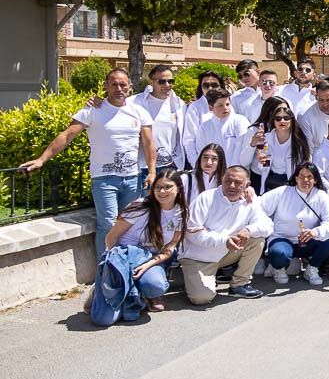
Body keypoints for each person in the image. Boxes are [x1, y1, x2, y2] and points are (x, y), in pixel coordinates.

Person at [20, 68, 155, 261]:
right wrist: (42, 159)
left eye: (123, 84)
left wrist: (151, 172)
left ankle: (125, 265)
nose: (119, 88)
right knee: (108, 223)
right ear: (106, 86)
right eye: (114, 84)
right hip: (104, 179)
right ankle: (106, 267)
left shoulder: (139, 111)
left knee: (129, 224)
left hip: (132, 178)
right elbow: (67, 135)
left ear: (130, 86)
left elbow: (149, 143)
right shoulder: (93, 109)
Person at [91, 171, 188, 323]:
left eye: (168, 187)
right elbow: (112, 236)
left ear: (179, 188)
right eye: (158, 187)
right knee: (104, 319)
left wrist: (147, 265)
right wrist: (110, 266)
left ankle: (145, 294)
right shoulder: (140, 207)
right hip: (124, 256)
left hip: (152, 259)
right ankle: (105, 290)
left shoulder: (181, 212)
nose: (162, 192)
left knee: (155, 285)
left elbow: (170, 247)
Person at [179, 165, 268, 304]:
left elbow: (267, 225)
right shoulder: (206, 198)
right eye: (228, 181)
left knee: (257, 239)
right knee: (201, 298)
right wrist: (224, 240)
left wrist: (249, 230)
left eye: (238, 183)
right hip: (199, 257)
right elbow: (192, 232)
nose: (232, 186)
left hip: (225, 254)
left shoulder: (250, 200)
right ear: (222, 179)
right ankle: (194, 281)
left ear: (247, 184)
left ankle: (239, 284)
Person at [258, 162, 329, 286]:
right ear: (296, 178)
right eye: (301, 176)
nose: (305, 180)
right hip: (283, 239)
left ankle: (312, 269)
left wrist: (315, 232)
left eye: (310, 177)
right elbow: (258, 206)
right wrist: (268, 224)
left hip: (308, 241)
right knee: (279, 254)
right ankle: (278, 268)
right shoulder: (282, 192)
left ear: (316, 180)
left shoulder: (321, 196)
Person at [242, 98, 311, 194]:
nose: (282, 121)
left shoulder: (299, 140)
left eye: (286, 118)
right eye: (278, 118)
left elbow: (305, 165)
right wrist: (262, 160)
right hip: (266, 181)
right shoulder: (265, 137)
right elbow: (262, 166)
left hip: (291, 185)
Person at [132, 63, 186, 175]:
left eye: (171, 81)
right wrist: (97, 102)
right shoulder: (134, 102)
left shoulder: (179, 104)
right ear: (151, 82)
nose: (167, 85)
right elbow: (113, 106)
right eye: (161, 81)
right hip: (143, 167)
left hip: (170, 166)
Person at [195, 89, 250, 164]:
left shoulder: (240, 121)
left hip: (237, 172)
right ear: (211, 108)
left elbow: (242, 149)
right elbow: (202, 151)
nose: (225, 108)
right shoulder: (205, 127)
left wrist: (231, 171)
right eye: (220, 105)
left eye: (227, 104)